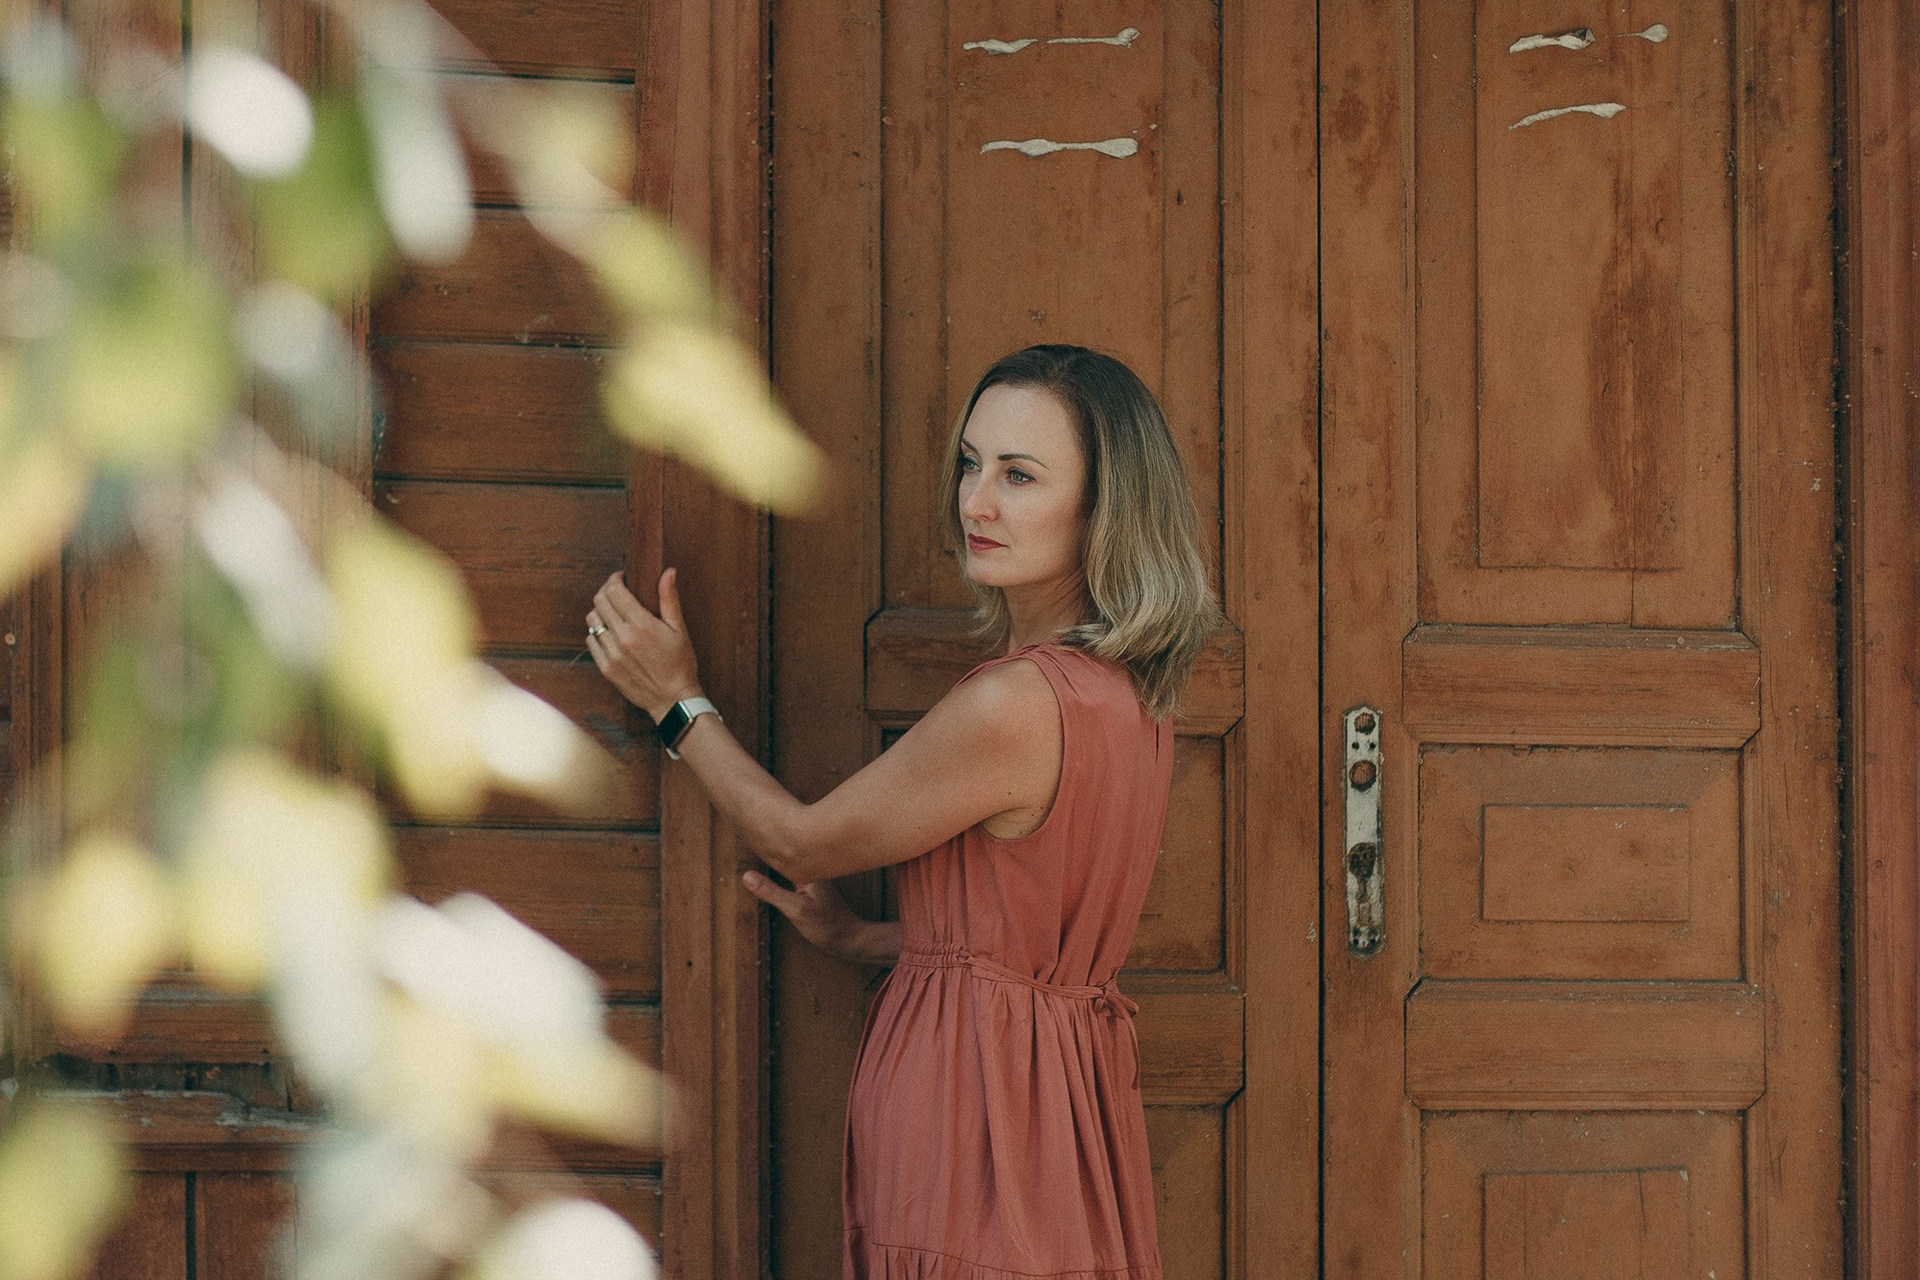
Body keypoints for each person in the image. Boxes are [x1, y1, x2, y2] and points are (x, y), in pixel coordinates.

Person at [584, 344, 1219, 1280]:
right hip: (1058, 1108)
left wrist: (675, 703)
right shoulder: (1129, 694)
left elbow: (800, 839)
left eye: (1019, 475)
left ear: (1104, 509)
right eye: (970, 463)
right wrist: (867, 940)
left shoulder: (1016, 703)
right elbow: (1032, 940)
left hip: (980, 1109)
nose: (976, 503)